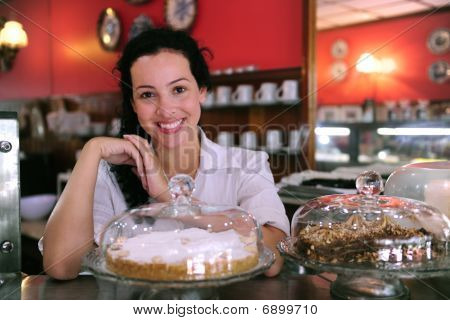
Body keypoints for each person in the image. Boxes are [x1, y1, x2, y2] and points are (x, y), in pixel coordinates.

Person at [42, 28, 290, 280]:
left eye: (178, 89)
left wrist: (171, 200)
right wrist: (91, 150)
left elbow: (274, 258)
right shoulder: (110, 174)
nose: (166, 109)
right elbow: (62, 266)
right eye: (148, 95)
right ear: (133, 104)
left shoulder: (247, 164)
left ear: (201, 90)